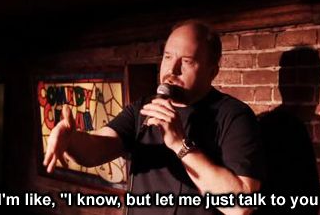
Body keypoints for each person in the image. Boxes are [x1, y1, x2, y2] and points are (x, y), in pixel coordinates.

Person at [43, 21, 264, 215]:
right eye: (167, 57)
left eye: (187, 61)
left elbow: (241, 206)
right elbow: (96, 149)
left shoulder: (235, 117)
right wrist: (71, 140)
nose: (172, 69)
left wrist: (180, 144)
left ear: (212, 72)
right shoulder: (143, 108)